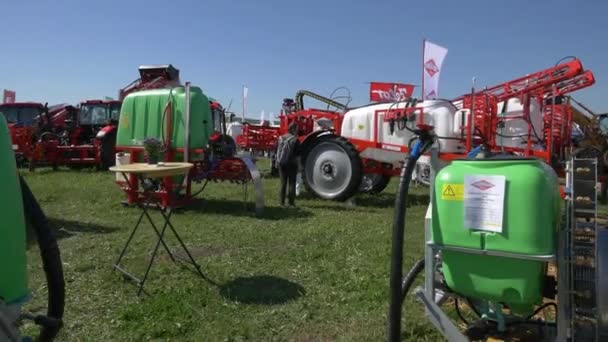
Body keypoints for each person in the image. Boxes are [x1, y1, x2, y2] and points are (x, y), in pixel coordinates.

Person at [276, 122, 300, 207]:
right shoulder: (295, 140)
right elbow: (297, 154)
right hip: (291, 164)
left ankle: (281, 203)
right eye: (297, 129)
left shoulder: (281, 138)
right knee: (291, 183)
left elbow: (276, 150)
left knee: (283, 183)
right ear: (293, 129)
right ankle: (291, 203)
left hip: (281, 163)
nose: (298, 131)